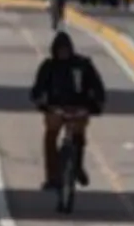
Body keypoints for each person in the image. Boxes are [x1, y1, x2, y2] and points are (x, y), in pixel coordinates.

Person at [30, 30, 107, 190]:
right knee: (50, 137)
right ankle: (52, 177)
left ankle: (77, 165)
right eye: (60, 50)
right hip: (55, 108)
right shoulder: (48, 67)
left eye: (65, 49)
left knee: (79, 135)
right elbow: (37, 89)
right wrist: (41, 102)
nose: (63, 53)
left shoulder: (83, 65)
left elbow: (97, 87)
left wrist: (95, 104)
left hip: (78, 108)